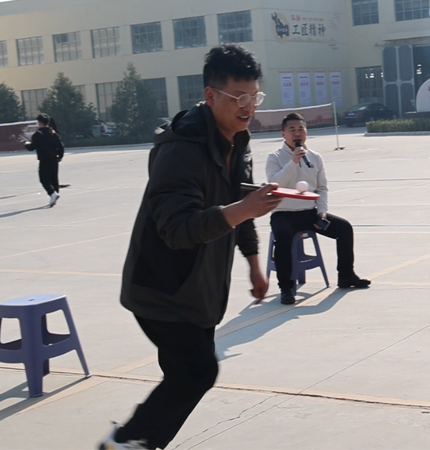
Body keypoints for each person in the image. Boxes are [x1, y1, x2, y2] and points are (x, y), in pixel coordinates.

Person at [102, 45, 283, 450]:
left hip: (199, 290)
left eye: (255, 96)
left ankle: (135, 442)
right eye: (239, 97)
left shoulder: (237, 141)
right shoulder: (180, 150)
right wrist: (244, 209)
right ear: (211, 95)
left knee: (184, 376)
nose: (248, 107)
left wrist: (254, 263)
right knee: (197, 372)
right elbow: (177, 229)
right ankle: (123, 443)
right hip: (162, 288)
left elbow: (241, 204)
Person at [266, 112, 371, 304]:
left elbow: (322, 188)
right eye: (292, 129)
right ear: (283, 134)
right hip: (284, 213)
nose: (297, 133)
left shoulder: (314, 157)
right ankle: (286, 288)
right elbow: (275, 184)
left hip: (309, 213)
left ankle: (346, 276)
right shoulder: (274, 157)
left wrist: (321, 211)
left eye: (301, 129)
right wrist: (293, 162)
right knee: (283, 237)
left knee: (344, 228)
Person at [24, 113, 64, 207]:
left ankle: (52, 194)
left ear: (40, 123)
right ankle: (54, 195)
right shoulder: (53, 133)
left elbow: (32, 147)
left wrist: (26, 144)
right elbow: (60, 145)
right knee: (54, 178)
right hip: (54, 158)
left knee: (43, 178)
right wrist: (60, 156)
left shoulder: (37, 135)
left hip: (44, 159)